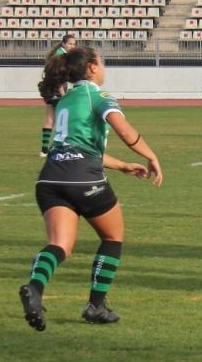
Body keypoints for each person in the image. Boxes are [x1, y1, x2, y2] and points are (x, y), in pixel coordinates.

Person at [19, 46, 163, 332]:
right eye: (102, 62)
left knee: (60, 245)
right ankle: (96, 305)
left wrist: (122, 165)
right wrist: (151, 155)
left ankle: (34, 288)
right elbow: (124, 131)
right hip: (83, 179)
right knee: (113, 236)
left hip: (49, 179)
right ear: (93, 67)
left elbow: (76, 148)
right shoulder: (98, 96)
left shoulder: (66, 99)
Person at [40, 34, 77, 155]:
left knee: (50, 119)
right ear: (63, 44)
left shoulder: (57, 54)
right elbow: (59, 79)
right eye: (70, 44)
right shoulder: (61, 56)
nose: (72, 46)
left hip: (48, 90)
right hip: (56, 91)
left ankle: (44, 150)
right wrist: (64, 95)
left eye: (73, 44)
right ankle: (63, 145)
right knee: (67, 118)